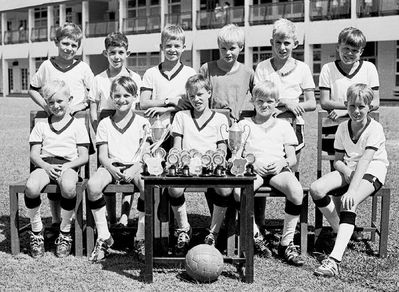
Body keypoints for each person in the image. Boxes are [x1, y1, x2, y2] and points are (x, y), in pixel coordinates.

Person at [310, 84, 388, 277]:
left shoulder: (375, 128)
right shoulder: (343, 127)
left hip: (373, 169)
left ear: (370, 107)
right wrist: (346, 171)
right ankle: (341, 230)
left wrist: (351, 190)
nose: (356, 111)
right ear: (346, 105)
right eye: (352, 106)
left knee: (349, 202)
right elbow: (337, 161)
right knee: (316, 189)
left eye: (362, 106)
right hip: (350, 168)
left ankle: (335, 260)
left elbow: (365, 161)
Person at [253, 18, 315, 244]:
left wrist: (291, 102)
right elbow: (258, 98)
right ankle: (257, 224)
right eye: (278, 42)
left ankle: (288, 232)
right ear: (271, 42)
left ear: (295, 43)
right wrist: (283, 102)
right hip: (265, 127)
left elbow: (311, 103)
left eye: (287, 43)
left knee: (287, 173)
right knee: (261, 171)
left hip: (293, 128)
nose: (282, 47)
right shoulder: (262, 67)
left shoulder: (303, 68)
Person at [28, 22, 94, 231]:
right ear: (57, 42)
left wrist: (78, 106)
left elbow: (92, 95)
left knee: (68, 178)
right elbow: (33, 89)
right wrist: (46, 106)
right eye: (65, 43)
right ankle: (56, 220)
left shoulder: (83, 67)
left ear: (78, 47)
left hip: (75, 125)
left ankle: (69, 221)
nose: (69, 48)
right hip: (52, 125)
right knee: (50, 170)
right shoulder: (47, 66)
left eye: (74, 45)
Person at [233, 80, 305, 265]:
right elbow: (235, 157)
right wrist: (251, 165)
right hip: (253, 170)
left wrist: (282, 162)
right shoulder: (244, 125)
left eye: (270, 102)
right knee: (238, 192)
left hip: (277, 170)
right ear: (253, 101)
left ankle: (286, 242)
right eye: (260, 101)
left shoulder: (283, 126)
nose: (265, 105)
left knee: (296, 191)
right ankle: (256, 235)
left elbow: (292, 158)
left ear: (276, 103)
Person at [318, 27, 379, 230]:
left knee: (360, 172)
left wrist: (347, 112)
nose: (349, 54)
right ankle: (339, 225)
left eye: (355, 50)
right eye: (345, 48)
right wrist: (351, 108)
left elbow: (375, 101)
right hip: (334, 129)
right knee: (339, 178)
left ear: (361, 52)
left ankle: (347, 222)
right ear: (338, 47)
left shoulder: (369, 68)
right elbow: (325, 102)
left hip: (362, 130)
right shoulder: (328, 68)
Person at [87, 76, 150, 262]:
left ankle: (140, 238)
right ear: (111, 97)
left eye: (127, 95)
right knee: (92, 186)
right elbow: (102, 156)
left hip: (135, 166)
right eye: (117, 95)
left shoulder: (142, 122)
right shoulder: (105, 123)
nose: (122, 100)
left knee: (147, 186)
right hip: (111, 166)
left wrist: (135, 168)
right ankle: (104, 237)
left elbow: (145, 155)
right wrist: (110, 168)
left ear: (135, 97)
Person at [25, 80, 90, 258]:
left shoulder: (78, 125)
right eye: (51, 102)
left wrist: (66, 166)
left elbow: (83, 156)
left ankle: (65, 232)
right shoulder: (41, 125)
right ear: (46, 102)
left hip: (68, 165)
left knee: (69, 187)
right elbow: (34, 155)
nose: (56, 105)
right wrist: (46, 166)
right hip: (45, 165)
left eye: (60, 101)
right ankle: (36, 231)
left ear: (69, 99)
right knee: (31, 187)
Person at [168, 74, 230, 254]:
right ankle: (184, 228)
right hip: (187, 169)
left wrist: (216, 159)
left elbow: (222, 149)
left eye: (200, 94)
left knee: (225, 189)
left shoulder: (219, 119)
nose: (196, 99)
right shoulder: (181, 116)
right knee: (174, 188)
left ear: (209, 93)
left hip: (210, 170)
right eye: (192, 96)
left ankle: (213, 232)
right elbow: (177, 147)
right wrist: (178, 159)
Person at [88, 31, 142, 228]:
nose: (116, 56)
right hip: (106, 127)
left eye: (120, 52)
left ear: (127, 53)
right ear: (106, 53)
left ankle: (125, 216)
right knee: (109, 172)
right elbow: (93, 108)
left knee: (129, 167)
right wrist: (99, 130)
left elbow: (136, 107)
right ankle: (110, 218)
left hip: (128, 127)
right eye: (112, 52)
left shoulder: (134, 77)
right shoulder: (99, 79)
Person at [140, 24, 196, 126]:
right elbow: (143, 103)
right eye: (168, 46)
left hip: (184, 128)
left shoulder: (190, 73)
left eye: (177, 46)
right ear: (161, 47)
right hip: (157, 127)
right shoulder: (151, 73)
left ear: (183, 48)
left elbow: (191, 104)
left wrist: (165, 110)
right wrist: (169, 101)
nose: (172, 49)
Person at [199, 23, 254, 122]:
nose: (228, 52)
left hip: (236, 126)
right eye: (223, 48)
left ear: (241, 47)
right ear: (218, 46)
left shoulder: (248, 73)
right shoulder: (207, 69)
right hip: (210, 123)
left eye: (232, 48)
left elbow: (258, 97)